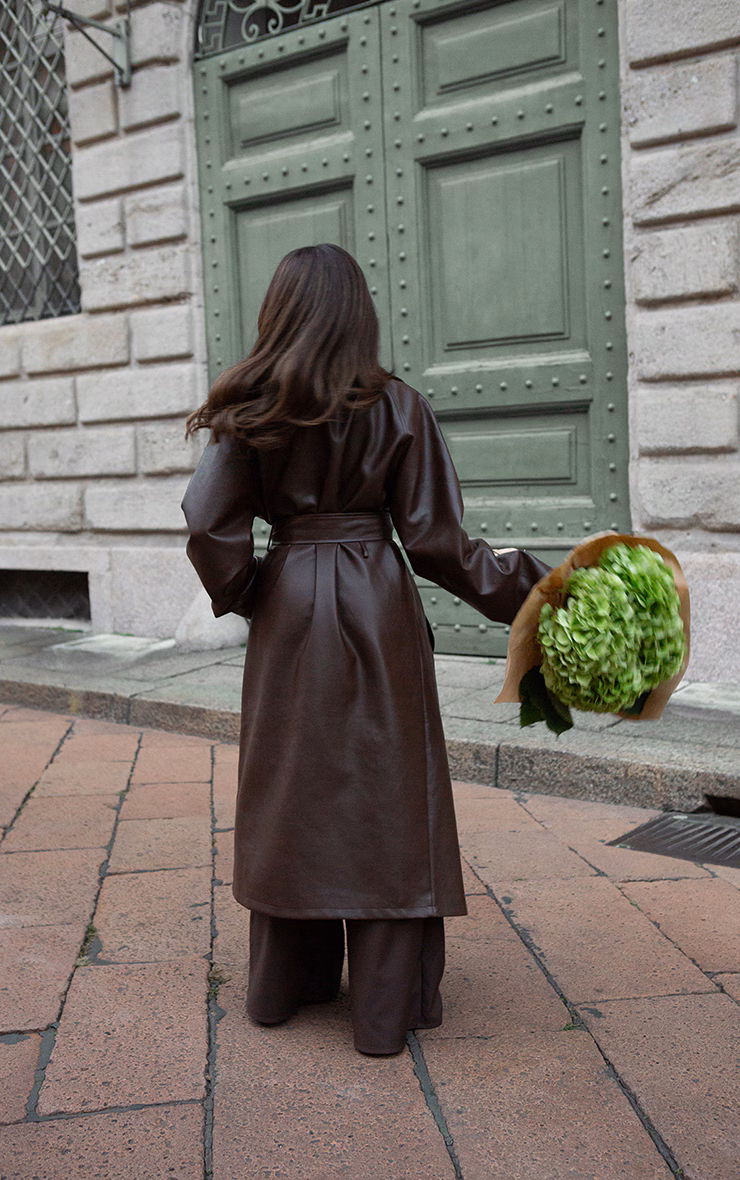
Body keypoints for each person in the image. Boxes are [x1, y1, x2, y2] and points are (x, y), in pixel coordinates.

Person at [182, 243, 549, 1056]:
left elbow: (209, 526)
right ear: (361, 315)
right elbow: (442, 545)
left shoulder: (252, 412)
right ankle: (383, 1008)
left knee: (290, 785)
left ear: (277, 312)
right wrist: (539, 593)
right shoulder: (400, 407)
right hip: (377, 601)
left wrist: (253, 590)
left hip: (290, 603)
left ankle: (287, 985)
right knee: (385, 790)